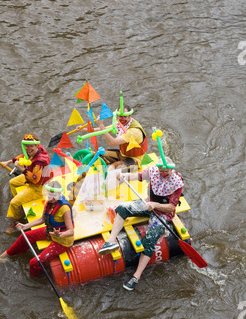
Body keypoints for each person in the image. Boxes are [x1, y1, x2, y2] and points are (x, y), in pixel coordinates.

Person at [98, 157, 184, 291]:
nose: (164, 173)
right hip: (148, 203)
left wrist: (155, 205)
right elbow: (138, 176)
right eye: (162, 169)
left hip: (162, 213)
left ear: (172, 169)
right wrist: (124, 175)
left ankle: (136, 276)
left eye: (167, 170)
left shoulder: (177, 182)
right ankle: (111, 241)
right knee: (122, 208)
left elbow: (172, 207)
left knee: (149, 241)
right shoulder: (153, 172)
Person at [0, 181, 74, 278]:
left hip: (63, 240)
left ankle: (35, 278)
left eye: (54, 195)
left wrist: (59, 235)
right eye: (49, 194)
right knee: (25, 236)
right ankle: (2, 257)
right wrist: (25, 226)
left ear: (60, 194)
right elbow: (42, 219)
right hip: (51, 231)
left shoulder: (65, 209)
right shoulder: (49, 203)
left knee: (34, 262)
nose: (51, 197)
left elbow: (71, 231)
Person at [1, 133, 51, 234]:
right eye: (26, 146)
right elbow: (23, 156)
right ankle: (19, 205)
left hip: (40, 186)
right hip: (31, 177)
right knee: (12, 182)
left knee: (13, 203)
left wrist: (20, 168)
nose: (28, 148)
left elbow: (35, 179)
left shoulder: (39, 162)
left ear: (36, 145)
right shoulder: (33, 151)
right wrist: (9, 161)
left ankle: (16, 220)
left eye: (31, 146)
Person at [77, 104, 148, 170]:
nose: (122, 119)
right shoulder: (120, 123)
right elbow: (105, 129)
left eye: (125, 116)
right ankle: (104, 171)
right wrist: (85, 129)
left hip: (135, 160)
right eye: (120, 116)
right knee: (96, 154)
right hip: (122, 155)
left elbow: (112, 142)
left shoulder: (134, 131)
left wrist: (101, 125)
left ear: (130, 115)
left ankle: (110, 172)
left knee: (112, 167)